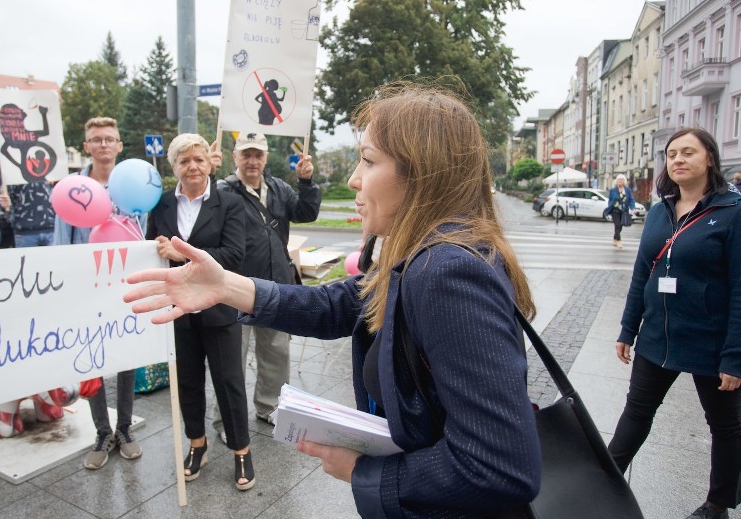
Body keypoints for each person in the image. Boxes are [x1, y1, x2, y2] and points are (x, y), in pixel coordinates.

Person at [124, 83, 543, 518]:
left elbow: (500, 466)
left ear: (420, 172)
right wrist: (225, 286)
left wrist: (365, 471)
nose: (353, 179)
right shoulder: (422, 256)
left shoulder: (447, 273)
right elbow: (334, 305)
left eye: (367, 159)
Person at [607, 128, 741, 519]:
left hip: (712, 341)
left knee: (724, 423)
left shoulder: (737, 213)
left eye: (688, 152)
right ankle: (605, 477)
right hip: (658, 336)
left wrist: (736, 356)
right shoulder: (659, 211)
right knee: (636, 413)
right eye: (672, 153)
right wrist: (629, 329)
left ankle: (718, 504)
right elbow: (643, 274)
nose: (677, 159)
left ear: (710, 157)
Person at [146, 133, 255, 490]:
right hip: (177, 307)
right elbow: (150, 251)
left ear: (209, 163)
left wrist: (184, 253)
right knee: (187, 381)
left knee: (229, 382)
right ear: (174, 167)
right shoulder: (160, 204)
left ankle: (242, 449)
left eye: (198, 159)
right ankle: (197, 444)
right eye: (183, 161)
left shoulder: (230, 204)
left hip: (218, 307)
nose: (192, 166)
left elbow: (234, 256)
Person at [53, 117, 143, 470]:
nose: (103, 144)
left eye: (110, 139)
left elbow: (143, 236)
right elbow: (61, 242)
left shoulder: (134, 184)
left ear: (120, 145)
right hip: (86, 289)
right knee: (91, 360)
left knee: (125, 359)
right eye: (96, 139)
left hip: (125, 287)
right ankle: (101, 431)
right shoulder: (71, 188)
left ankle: (125, 428)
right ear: (86, 145)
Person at [215, 132, 321, 425]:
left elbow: (305, 213)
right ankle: (228, 419)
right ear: (235, 156)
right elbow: (206, 215)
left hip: (275, 285)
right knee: (232, 358)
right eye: (246, 154)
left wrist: (306, 182)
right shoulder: (223, 190)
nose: (252, 161)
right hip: (235, 286)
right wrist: (209, 176)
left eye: (258, 155)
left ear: (265, 158)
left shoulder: (279, 187)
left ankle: (270, 407)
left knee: (276, 352)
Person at [602, 174, 636, 249]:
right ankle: (619, 240)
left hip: (624, 211)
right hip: (615, 210)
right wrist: (611, 205)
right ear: (616, 181)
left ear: (624, 181)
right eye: (618, 180)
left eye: (621, 180)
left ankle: (615, 237)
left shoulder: (627, 190)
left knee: (620, 226)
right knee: (617, 225)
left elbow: (631, 199)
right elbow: (610, 200)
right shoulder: (612, 190)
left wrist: (633, 208)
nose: (620, 181)